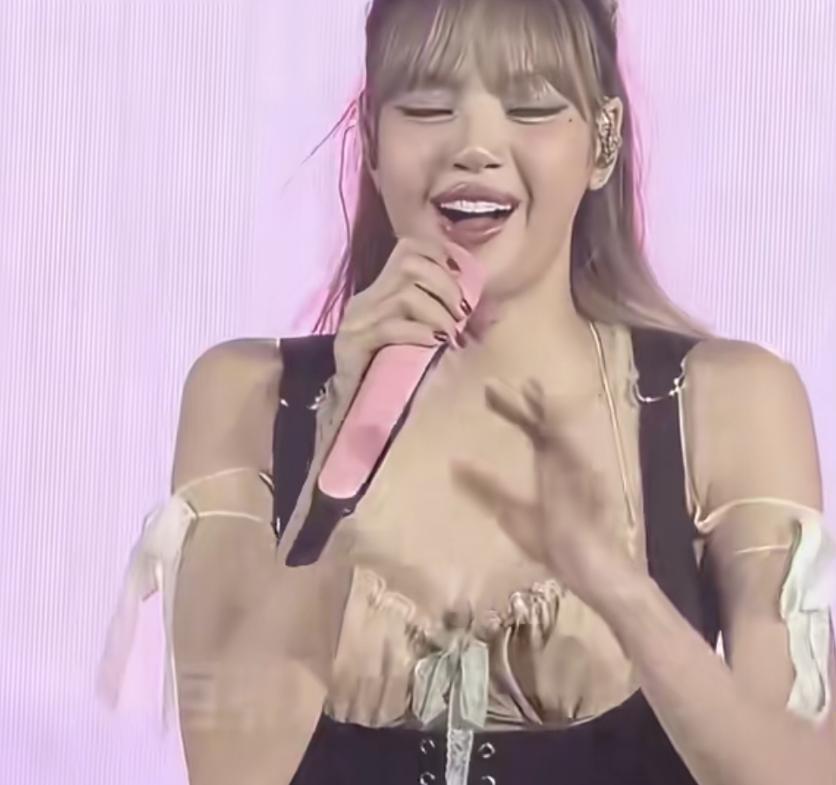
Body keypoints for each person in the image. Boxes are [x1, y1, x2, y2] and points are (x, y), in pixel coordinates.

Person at [99, 0, 836, 783]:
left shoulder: (724, 405)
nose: (475, 149)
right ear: (371, 140)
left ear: (603, 141)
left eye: (531, 108)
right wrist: (343, 464)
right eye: (427, 108)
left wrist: (620, 590)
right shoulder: (250, 395)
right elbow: (232, 767)